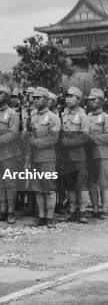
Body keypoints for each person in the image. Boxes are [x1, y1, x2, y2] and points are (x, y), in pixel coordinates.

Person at [26, 87, 60, 227]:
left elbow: (53, 139)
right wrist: (26, 135)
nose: (35, 100)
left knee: (49, 188)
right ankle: (41, 216)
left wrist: (35, 142)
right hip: (34, 157)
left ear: (46, 100)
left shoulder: (53, 118)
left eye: (38, 98)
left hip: (47, 157)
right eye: (34, 98)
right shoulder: (32, 116)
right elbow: (26, 134)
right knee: (38, 188)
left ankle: (50, 217)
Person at [0, 85, 21, 224]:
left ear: (7, 97)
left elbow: (13, 134)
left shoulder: (13, 114)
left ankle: (11, 212)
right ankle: (2, 211)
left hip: (9, 154)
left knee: (10, 183)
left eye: (1, 93)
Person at [61, 86, 91, 223]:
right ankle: (72, 211)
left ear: (78, 99)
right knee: (70, 184)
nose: (68, 99)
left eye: (71, 96)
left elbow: (85, 137)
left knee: (81, 184)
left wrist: (68, 143)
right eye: (67, 96)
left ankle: (83, 212)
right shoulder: (64, 114)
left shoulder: (83, 116)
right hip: (67, 157)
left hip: (79, 156)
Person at [87, 88, 108, 218]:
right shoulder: (87, 116)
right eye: (89, 100)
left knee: (103, 183)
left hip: (102, 154)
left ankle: (104, 209)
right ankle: (95, 209)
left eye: (93, 100)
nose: (91, 102)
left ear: (100, 101)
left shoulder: (106, 117)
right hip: (89, 155)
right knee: (91, 183)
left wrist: (92, 138)